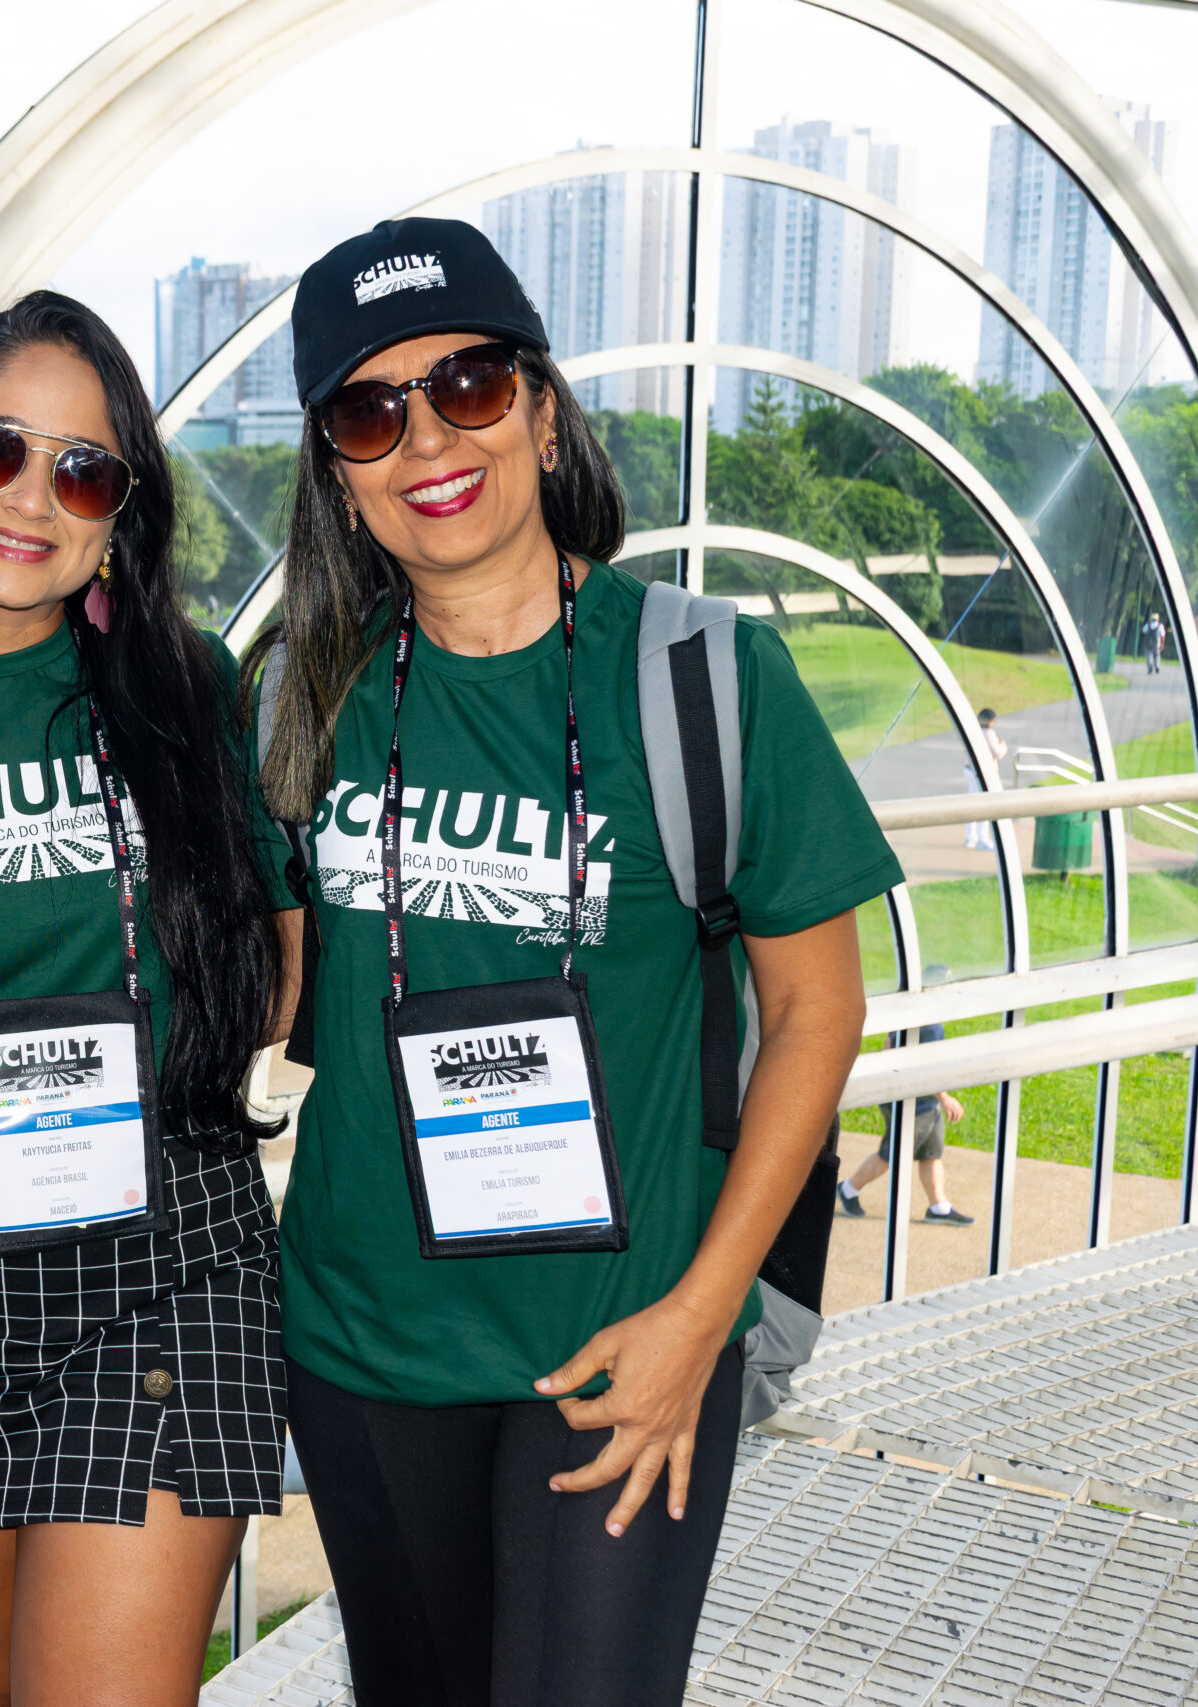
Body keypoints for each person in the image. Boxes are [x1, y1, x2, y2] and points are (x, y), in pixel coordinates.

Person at [249, 219, 899, 1707]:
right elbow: (285, 1000)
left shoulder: (704, 674)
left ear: (543, 408)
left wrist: (697, 1319)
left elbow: (817, 1009)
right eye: (370, 409)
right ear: (338, 475)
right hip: (368, 1339)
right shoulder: (296, 700)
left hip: (626, 1336)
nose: (425, 436)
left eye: (468, 383)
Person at [0, 291, 297, 1707]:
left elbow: (283, 928)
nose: (30, 496)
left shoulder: (177, 684)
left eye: (81, 471)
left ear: (116, 515)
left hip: (163, 1255)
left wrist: (254, 1096)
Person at [839, 965, 970, 1225]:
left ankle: (939, 1207)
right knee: (890, 1155)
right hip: (911, 1103)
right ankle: (848, 1189)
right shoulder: (929, 1025)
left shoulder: (910, 1012)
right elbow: (922, 1066)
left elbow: (889, 1048)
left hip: (920, 1101)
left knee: (931, 1154)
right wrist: (944, 1097)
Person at [963, 706, 1007, 852]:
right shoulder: (989, 733)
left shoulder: (972, 731)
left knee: (972, 803)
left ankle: (970, 837)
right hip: (984, 774)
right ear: (991, 721)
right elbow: (996, 752)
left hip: (970, 770)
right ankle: (982, 839)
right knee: (984, 805)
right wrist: (1003, 746)